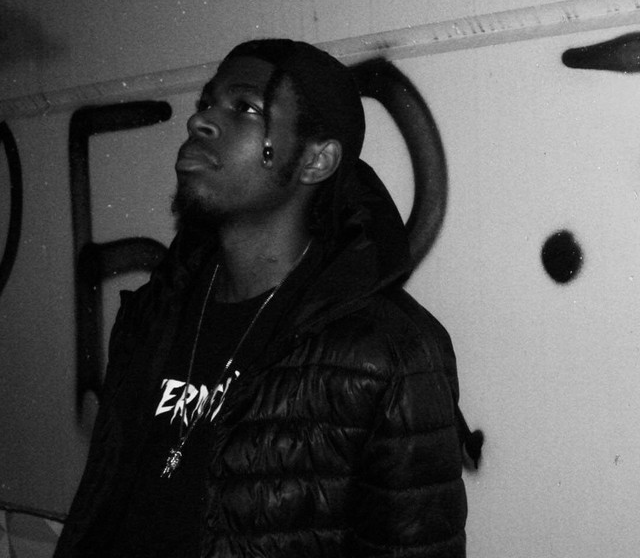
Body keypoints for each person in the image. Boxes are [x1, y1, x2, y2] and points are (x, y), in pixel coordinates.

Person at [55, 39, 473, 557]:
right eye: (206, 103)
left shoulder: (388, 354)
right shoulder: (151, 316)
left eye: (246, 108)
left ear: (316, 160)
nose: (201, 121)